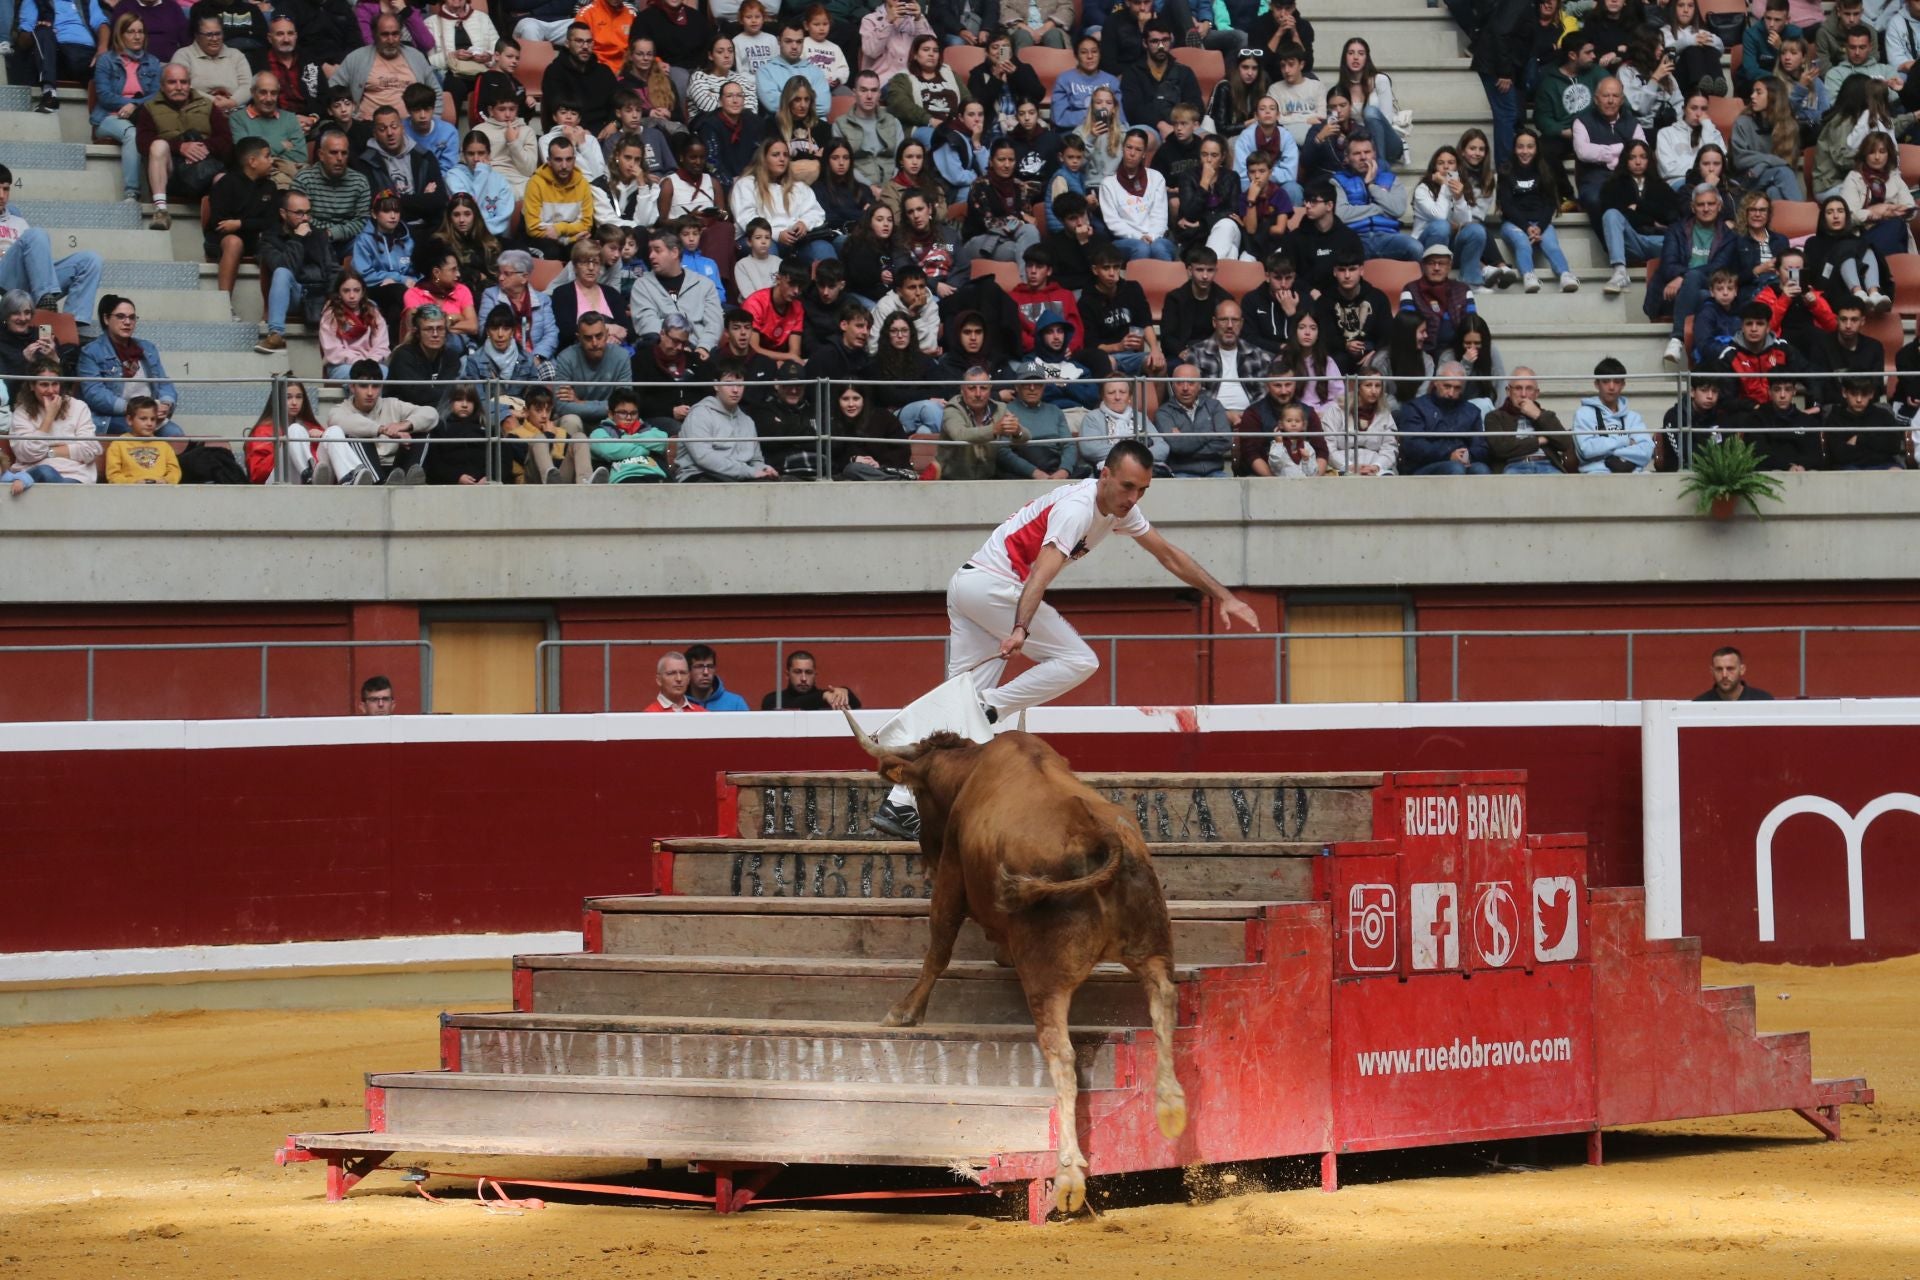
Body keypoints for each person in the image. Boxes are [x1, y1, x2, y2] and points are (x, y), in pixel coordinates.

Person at [870, 437, 1260, 839]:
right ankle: (989, 707)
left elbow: (1168, 554)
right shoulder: (1076, 509)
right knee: (1078, 660)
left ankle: (900, 805)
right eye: (1127, 486)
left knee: (957, 709)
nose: (1133, 497)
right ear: (1104, 475)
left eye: (1142, 489)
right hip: (996, 588)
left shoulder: (1121, 512)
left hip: (968, 585)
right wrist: (1021, 628)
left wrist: (1223, 595)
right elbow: (1042, 570)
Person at [0, 167, 104, 333]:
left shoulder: (17, 220)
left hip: (26, 288)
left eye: (6, 189)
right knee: (36, 234)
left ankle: (70, 329)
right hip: (3, 287)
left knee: (91, 261)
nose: (2, 196)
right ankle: (45, 299)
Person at [135, 63, 232, 232]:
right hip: (171, 174)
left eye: (184, 82)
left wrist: (201, 148)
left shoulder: (207, 106)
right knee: (158, 145)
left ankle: (221, 233)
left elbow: (226, 139)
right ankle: (161, 211)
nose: (179, 87)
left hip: (204, 169)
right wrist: (180, 147)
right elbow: (143, 143)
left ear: (190, 84)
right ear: (162, 85)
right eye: (172, 82)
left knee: (225, 179)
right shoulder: (149, 108)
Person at [1654, 184, 1736, 369]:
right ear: (1692, 207)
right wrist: (1684, 277)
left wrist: (1684, 276)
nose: (1706, 209)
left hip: (1711, 289)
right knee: (1699, 293)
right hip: (1676, 294)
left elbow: (1718, 267)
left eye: (1710, 204)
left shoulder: (1729, 236)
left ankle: (1677, 338)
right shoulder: (1677, 230)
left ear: (1719, 206)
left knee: (1697, 284)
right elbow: (1668, 264)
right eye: (1700, 205)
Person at [323, 358, 439, 483]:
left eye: (375, 386)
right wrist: (382, 430)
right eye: (363, 386)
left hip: (396, 470)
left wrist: (404, 425)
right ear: (352, 387)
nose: (370, 392)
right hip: (367, 472)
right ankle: (379, 482)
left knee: (422, 431)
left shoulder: (392, 404)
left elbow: (431, 414)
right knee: (357, 434)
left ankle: (410, 479)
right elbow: (338, 421)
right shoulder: (341, 409)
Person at [92, 14, 165, 203]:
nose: (137, 36)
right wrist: (126, 104)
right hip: (109, 117)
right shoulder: (106, 60)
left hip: (141, 114)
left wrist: (134, 105)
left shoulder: (153, 62)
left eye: (140, 32)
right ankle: (132, 192)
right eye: (131, 32)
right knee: (132, 134)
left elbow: (157, 94)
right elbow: (104, 95)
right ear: (120, 35)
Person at [7, 357, 101, 491]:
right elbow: (26, 454)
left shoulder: (78, 407)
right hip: (34, 476)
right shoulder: (22, 413)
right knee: (46, 471)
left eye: (55, 384)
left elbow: (90, 450)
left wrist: (49, 452)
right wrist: (49, 417)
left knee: (55, 480)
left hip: (74, 476)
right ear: (32, 386)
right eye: (44, 384)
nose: (51, 391)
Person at [675, 364, 779, 481]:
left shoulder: (748, 421)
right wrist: (749, 472)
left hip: (739, 477)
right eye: (729, 383)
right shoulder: (699, 414)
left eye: (740, 385)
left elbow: (756, 460)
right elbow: (703, 457)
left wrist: (764, 469)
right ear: (716, 385)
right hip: (698, 475)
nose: (735, 390)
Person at [1332, 136, 1419, 261]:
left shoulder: (1391, 179)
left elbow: (1398, 210)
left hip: (1388, 236)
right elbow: (1341, 215)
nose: (1363, 157)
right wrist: (1378, 209)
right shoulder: (1338, 181)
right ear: (1347, 158)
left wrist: (1371, 186)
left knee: (1415, 247)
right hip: (1355, 237)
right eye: (1356, 153)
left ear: (1374, 154)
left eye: (1367, 152)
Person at [1398, 363, 1491, 475]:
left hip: (1462, 462)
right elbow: (1412, 445)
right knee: (1455, 468)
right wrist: (1448, 454)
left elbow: (1481, 447)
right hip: (1423, 466)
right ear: (1436, 382)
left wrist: (1468, 455)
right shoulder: (1415, 408)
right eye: (1447, 386)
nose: (1451, 393)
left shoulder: (1472, 411)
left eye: (1457, 388)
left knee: (1482, 470)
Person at [1568, 356, 1654, 473]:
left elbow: (1647, 452)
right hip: (1597, 475)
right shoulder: (1583, 414)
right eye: (1606, 381)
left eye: (1617, 382)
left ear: (1623, 385)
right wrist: (1626, 442)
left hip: (1631, 473)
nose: (1612, 387)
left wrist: (1603, 451)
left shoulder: (1633, 417)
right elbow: (1587, 450)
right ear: (1597, 384)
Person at [1153, 364, 1233, 476]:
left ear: (1200, 385)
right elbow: (1176, 447)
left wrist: (1186, 445)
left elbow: (1226, 441)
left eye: (1191, 383)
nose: (1185, 388)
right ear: (1172, 384)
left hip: (1215, 471)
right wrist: (1209, 435)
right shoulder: (1164, 412)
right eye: (1179, 383)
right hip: (1181, 472)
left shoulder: (1214, 406)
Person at [762, 650, 861, 710]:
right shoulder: (774, 700)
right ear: (787, 675)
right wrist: (822, 696)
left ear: (815, 675)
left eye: (808, 672)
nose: (804, 678)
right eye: (797, 672)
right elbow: (792, 705)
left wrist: (845, 692)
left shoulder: (830, 697)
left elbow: (856, 706)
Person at [1694, 646, 1774, 701]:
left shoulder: (1763, 700)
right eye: (1719, 669)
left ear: (1742, 670)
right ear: (1712, 671)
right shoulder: (1699, 704)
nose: (1724, 675)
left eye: (1730, 669)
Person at [643, 651, 708, 713]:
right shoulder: (649, 715)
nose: (679, 679)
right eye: (671, 673)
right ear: (659, 680)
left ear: (688, 678)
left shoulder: (702, 713)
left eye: (683, 673)